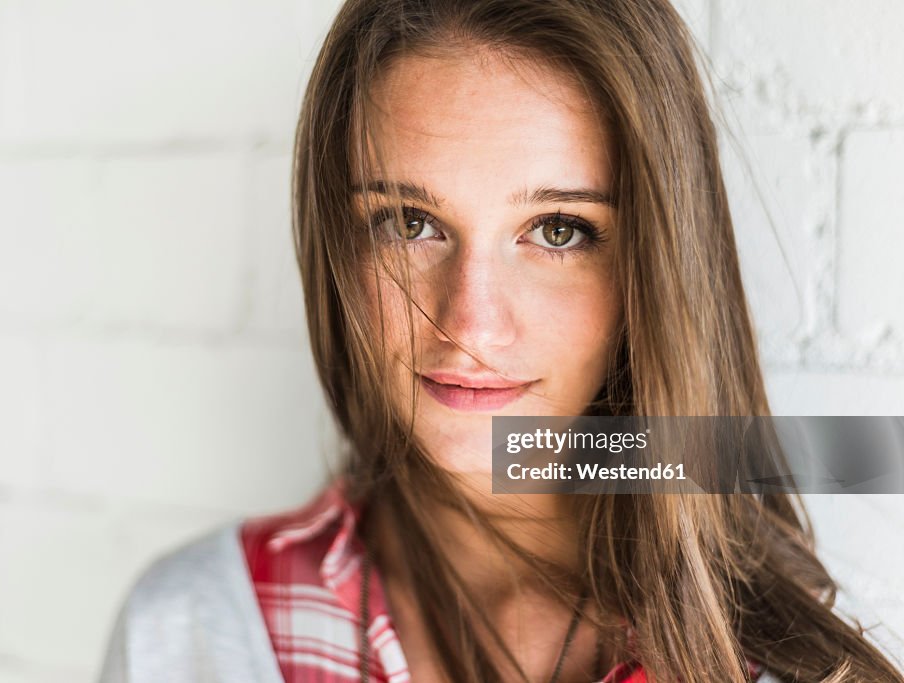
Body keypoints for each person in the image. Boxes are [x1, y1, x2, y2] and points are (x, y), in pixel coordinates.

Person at [98, 0, 904, 681]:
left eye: (558, 230)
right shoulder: (191, 632)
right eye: (410, 224)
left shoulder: (789, 662)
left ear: (656, 268)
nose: (471, 324)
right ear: (335, 244)